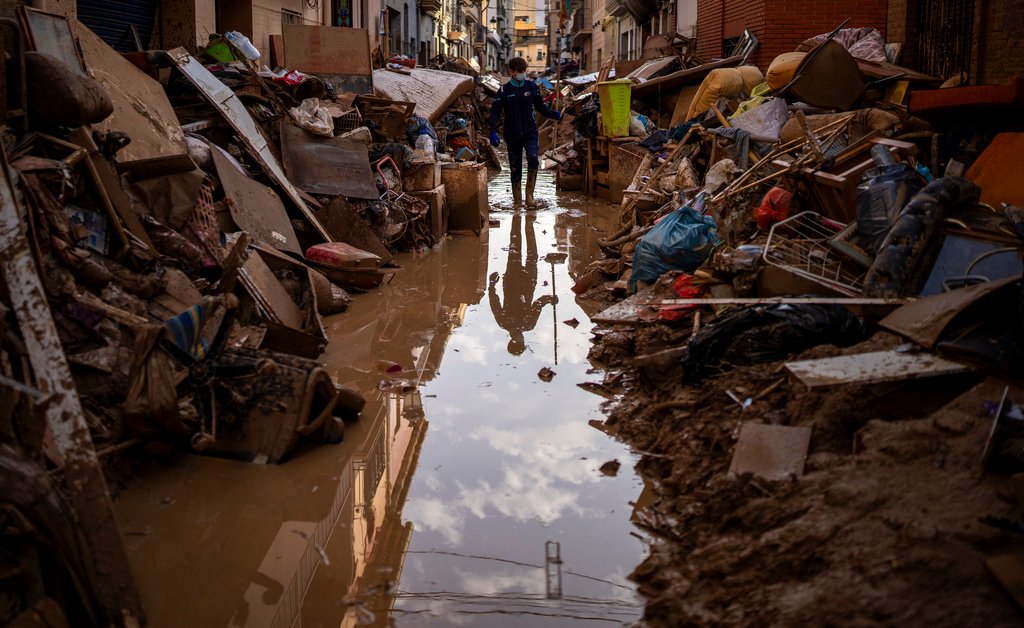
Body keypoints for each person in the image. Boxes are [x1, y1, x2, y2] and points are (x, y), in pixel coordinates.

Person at [489, 57, 561, 208]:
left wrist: (553, 114)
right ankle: (517, 200)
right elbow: (495, 112)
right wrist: (492, 131)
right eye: (519, 71)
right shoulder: (504, 90)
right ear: (511, 71)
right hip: (512, 134)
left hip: (530, 132)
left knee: (533, 158)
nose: (522, 74)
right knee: (515, 167)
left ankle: (529, 196)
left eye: (524, 71)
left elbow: (541, 107)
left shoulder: (531, 86)